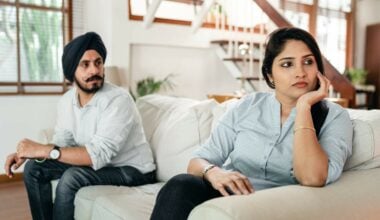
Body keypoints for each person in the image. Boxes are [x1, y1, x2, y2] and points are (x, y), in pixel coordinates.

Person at [150, 27, 353, 220]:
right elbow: (197, 161)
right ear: (270, 75)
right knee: (180, 185)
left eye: (308, 62)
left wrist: (304, 107)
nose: (300, 72)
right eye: (287, 64)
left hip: (277, 205)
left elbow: (312, 178)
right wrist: (214, 172)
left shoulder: (334, 117)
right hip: (228, 195)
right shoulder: (248, 105)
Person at [4, 32, 156, 220]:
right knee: (34, 169)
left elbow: (98, 154)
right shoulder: (67, 101)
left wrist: (45, 150)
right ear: (71, 72)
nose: (94, 70)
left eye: (98, 63)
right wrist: (30, 153)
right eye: (85, 64)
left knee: (71, 177)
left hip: (133, 171)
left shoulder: (118, 100)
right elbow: (62, 141)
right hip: (103, 165)